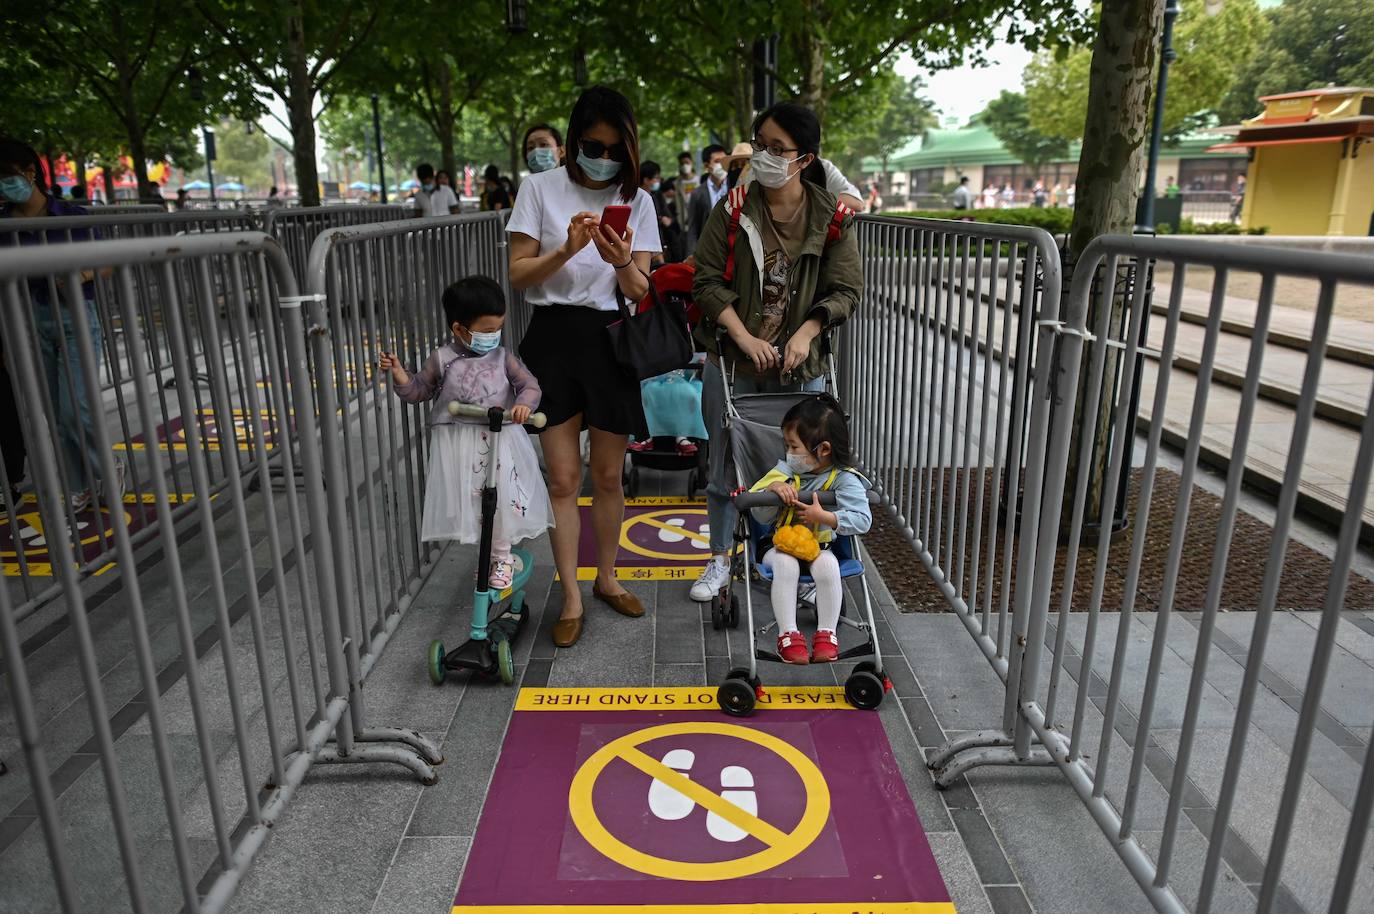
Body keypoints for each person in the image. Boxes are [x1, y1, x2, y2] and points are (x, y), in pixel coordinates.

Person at [506, 85, 661, 647]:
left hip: (610, 340)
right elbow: (520, 275)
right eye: (593, 145)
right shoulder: (539, 188)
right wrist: (567, 251)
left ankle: (608, 578)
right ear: (573, 140)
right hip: (551, 338)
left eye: (616, 149)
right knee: (565, 479)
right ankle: (571, 594)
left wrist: (620, 260)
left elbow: (641, 288)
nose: (604, 157)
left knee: (607, 476)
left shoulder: (636, 200)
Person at [689, 102, 863, 603]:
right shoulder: (735, 207)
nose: (763, 155)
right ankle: (720, 558)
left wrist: (806, 332)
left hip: (800, 367)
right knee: (724, 465)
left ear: (805, 159)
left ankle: (807, 560)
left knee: (809, 468)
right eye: (758, 143)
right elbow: (703, 281)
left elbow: (847, 289)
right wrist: (743, 336)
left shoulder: (832, 217)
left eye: (776, 148)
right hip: (732, 360)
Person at [379, 277, 551, 590]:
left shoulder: (503, 357)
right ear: (459, 329)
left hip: (499, 440)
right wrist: (401, 374)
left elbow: (529, 385)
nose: (494, 337)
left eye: (497, 329)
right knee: (476, 505)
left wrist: (524, 405)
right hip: (459, 443)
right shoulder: (442, 359)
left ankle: (501, 557)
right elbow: (420, 390)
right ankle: (489, 556)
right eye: (486, 331)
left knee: (499, 501)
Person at [0, 137, 124, 512]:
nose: (4, 187)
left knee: (77, 411)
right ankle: (77, 484)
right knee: (55, 413)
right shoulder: (4, 222)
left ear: (29, 173)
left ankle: (107, 466)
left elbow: (106, 262)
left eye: (7, 177)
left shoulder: (69, 214)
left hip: (74, 316)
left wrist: (79, 274)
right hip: (31, 319)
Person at [749, 394, 870, 663]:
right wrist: (771, 489)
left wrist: (825, 517)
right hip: (778, 547)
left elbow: (863, 519)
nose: (788, 453)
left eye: (794, 447)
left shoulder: (844, 479)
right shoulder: (783, 472)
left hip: (820, 547)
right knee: (787, 565)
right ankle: (788, 635)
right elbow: (755, 507)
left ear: (823, 449)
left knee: (829, 566)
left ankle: (827, 634)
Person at [685, 144, 729, 255]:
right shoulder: (697, 194)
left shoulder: (734, 187)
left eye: (724, 160)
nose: (722, 164)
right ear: (706, 166)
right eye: (717, 161)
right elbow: (693, 229)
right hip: (708, 252)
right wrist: (692, 254)